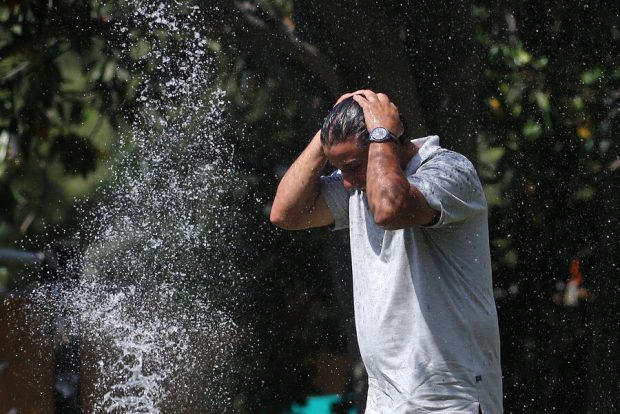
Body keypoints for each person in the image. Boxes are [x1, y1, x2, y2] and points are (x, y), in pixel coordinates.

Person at [270, 90, 503, 413]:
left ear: (388, 140)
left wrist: (381, 131)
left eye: (352, 167)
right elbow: (286, 213)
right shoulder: (361, 186)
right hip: (387, 400)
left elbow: (390, 210)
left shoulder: (449, 172)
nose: (347, 182)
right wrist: (325, 137)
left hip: (451, 400)